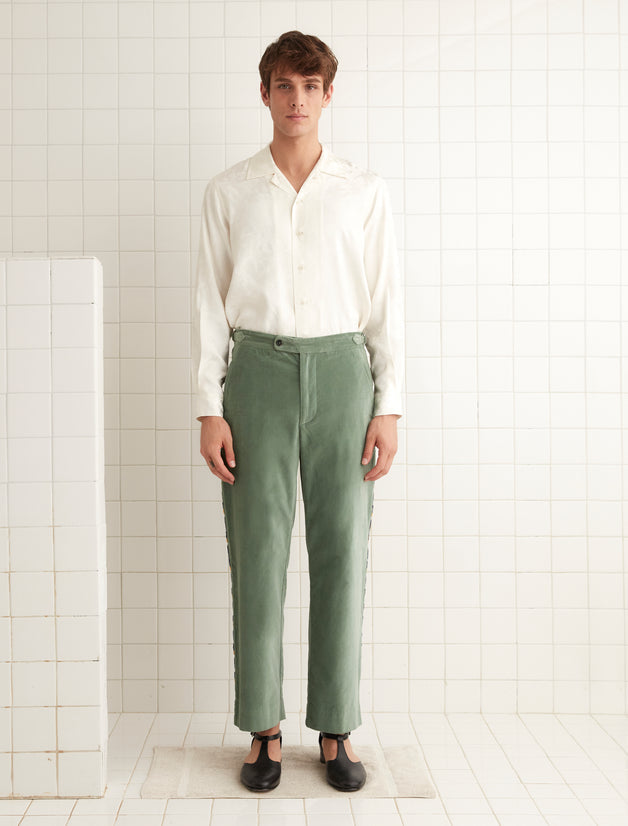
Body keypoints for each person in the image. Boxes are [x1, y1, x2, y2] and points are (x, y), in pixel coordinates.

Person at [192, 30, 404, 793]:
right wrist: (208, 408)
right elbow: (209, 307)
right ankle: (264, 731)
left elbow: (385, 302)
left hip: (346, 374)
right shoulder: (228, 191)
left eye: (310, 87)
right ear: (265, 94)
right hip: (257, 375)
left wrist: (391, 405)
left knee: (344, 552)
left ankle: (336, 729)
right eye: (285, 86)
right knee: (257, 554)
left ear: (328, 95)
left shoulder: (363, 190)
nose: (297, 100)